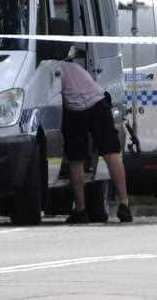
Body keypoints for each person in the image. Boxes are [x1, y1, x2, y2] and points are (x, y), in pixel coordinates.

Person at [61, 50, 132, 224]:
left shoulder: (50, 70)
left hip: (75, 110)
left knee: (75, 160)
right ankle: (124, 205)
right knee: (111, 154)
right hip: (98, 103)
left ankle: (81, 210)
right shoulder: (75, 67)